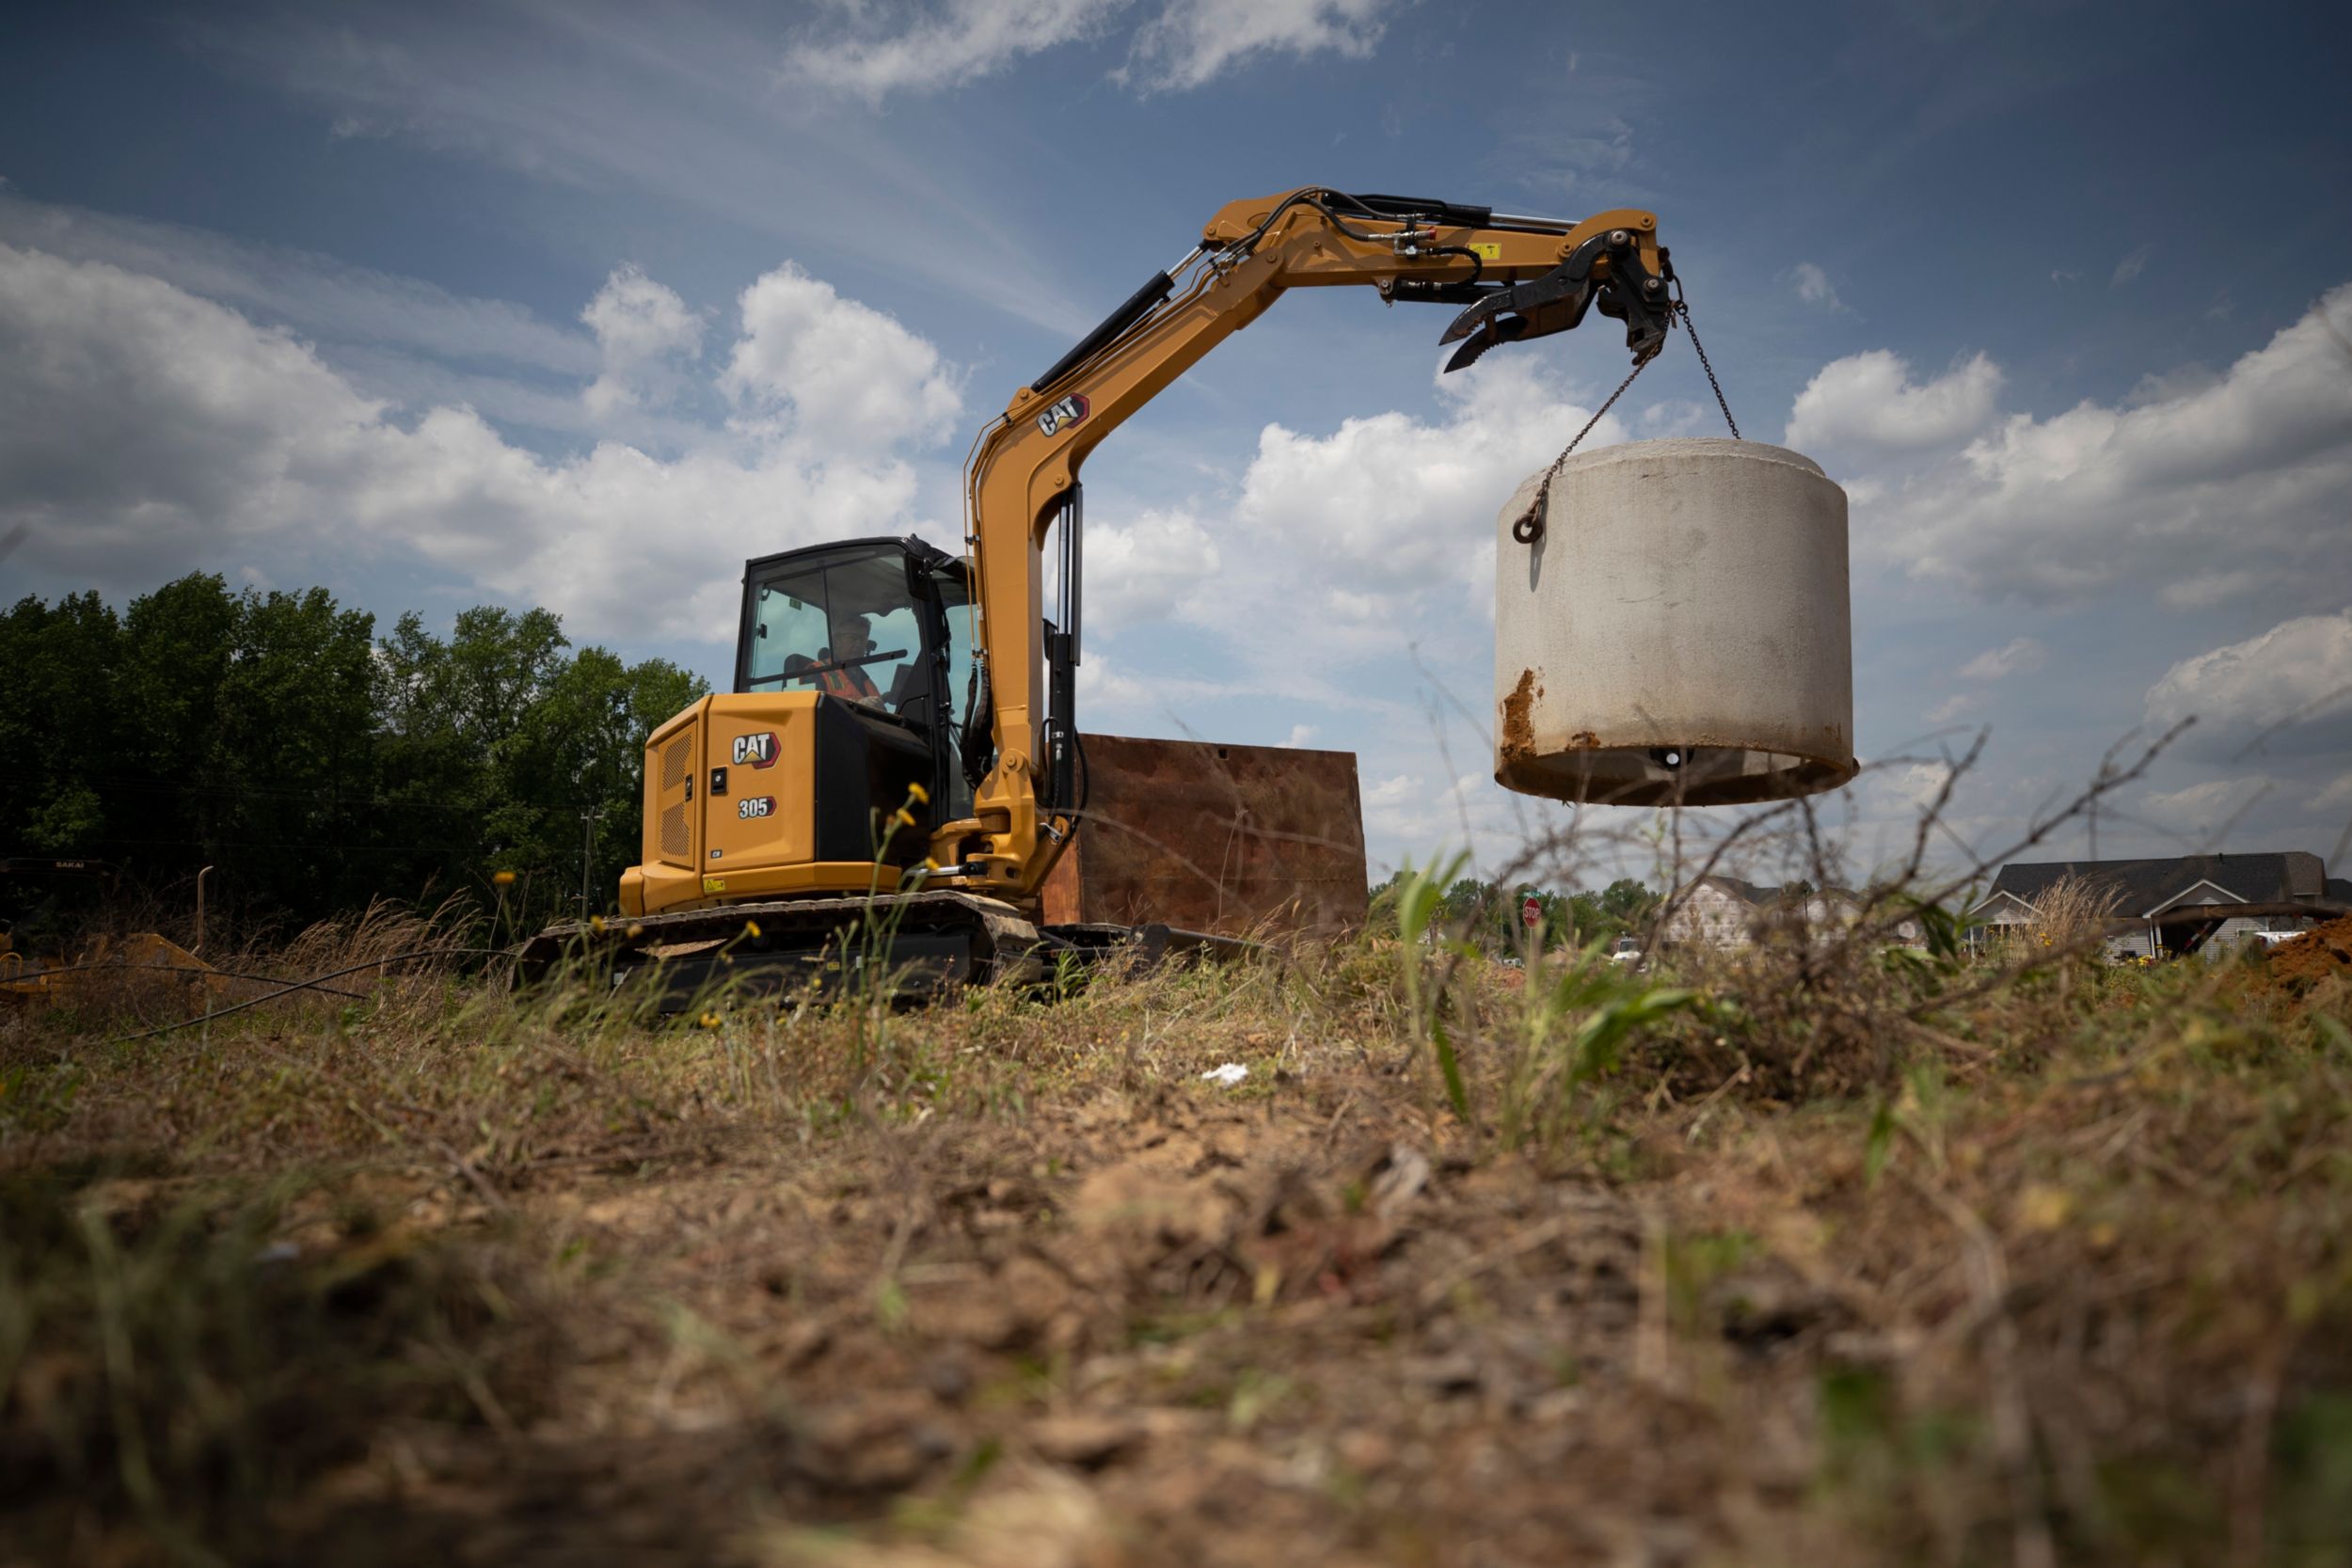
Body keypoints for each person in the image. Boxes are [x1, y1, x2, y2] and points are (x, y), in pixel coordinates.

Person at [817, 615, 884, 705]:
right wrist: (858, 706)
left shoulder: (868, 682)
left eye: (863, 640)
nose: (858, 644)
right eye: (852, 638)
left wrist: (884, 700)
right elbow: (811, 709)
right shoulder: (818, 672)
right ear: (836, 641)